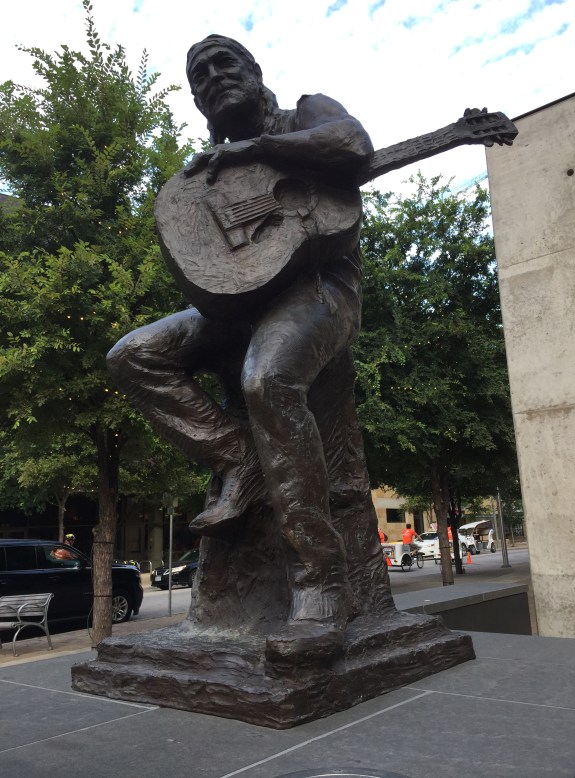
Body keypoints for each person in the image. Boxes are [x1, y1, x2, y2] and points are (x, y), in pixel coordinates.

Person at [107, 35, 374, 656]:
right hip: (240, 300)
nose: (213, 77)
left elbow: (354, 144)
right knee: (132, 355)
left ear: (255, 73)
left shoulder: (305, 113)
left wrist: (261, 148)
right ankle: (238, 458)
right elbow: (209, 256)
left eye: (225, 63)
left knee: (267, 378)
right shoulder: (207, 171)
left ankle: (319, 577)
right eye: (198, 74)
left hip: (321, 287)